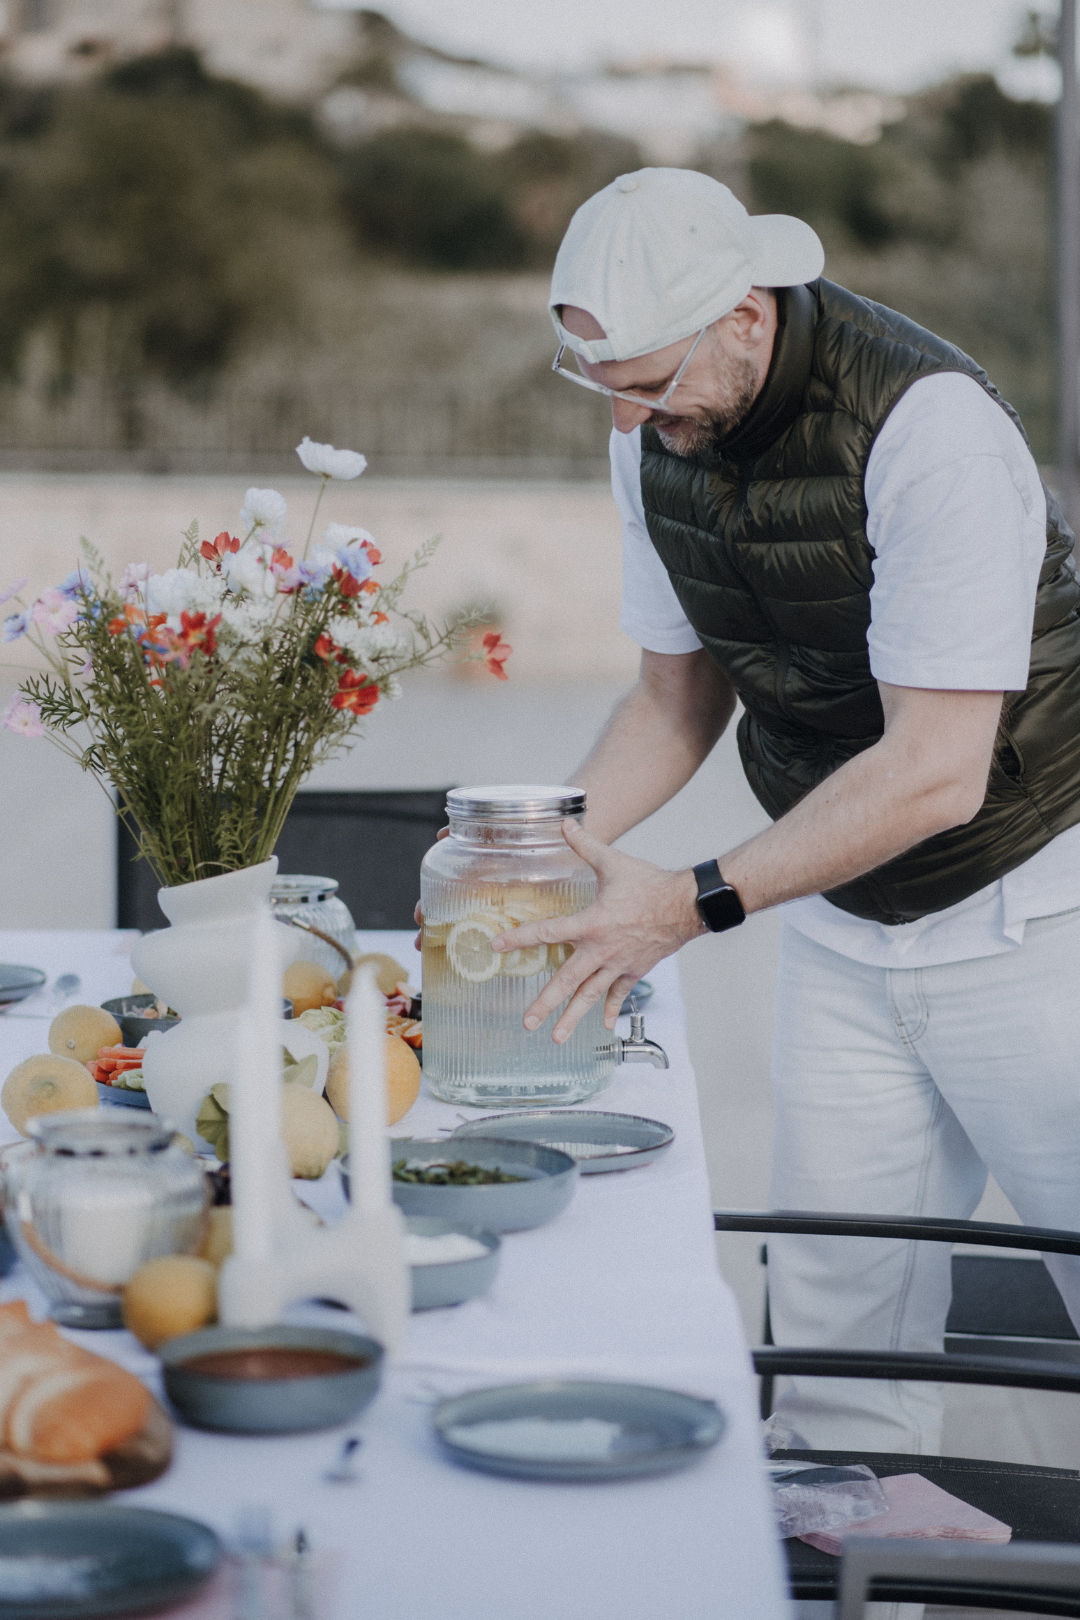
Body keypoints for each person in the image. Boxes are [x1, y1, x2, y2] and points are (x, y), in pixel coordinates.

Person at [490, 166, 1080, 1457]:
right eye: (603, 384)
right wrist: (530, 849)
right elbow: (675, 698)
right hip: (841, 912)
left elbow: (937, 769)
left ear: (746, 316)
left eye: (650, 383)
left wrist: (689, 903)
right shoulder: (656, 434)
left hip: (1038, 914)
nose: (629, 417)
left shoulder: (931, 430)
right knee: (835, 1345)